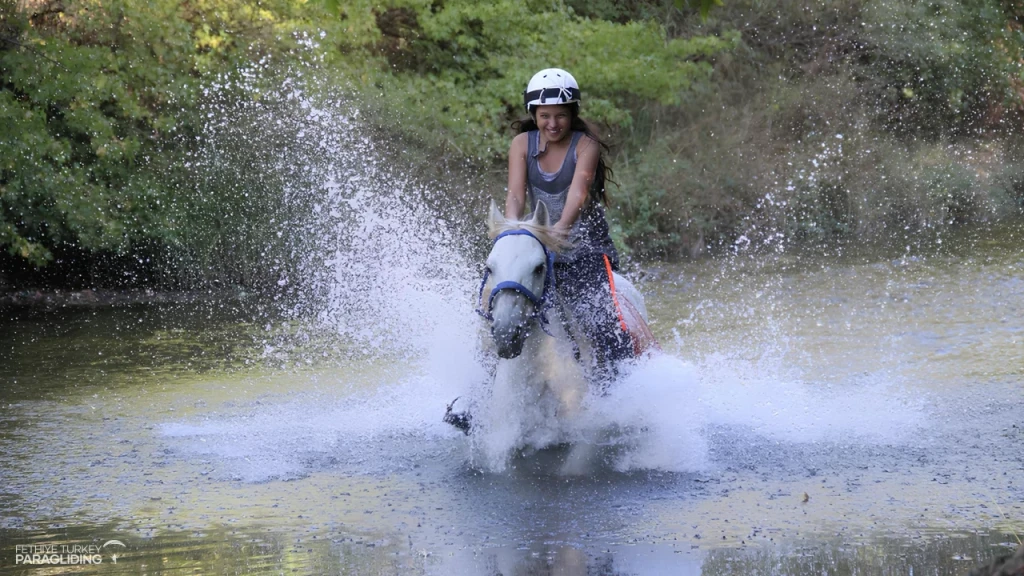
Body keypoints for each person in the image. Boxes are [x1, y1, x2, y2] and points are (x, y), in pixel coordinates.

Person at [505, 68, 633, 383]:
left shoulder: (586, 145)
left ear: (572, 114)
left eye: (560, 115)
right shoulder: (522, 144)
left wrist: (559, 231)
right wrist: (512, 231)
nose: (552, 123)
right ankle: (477, 397)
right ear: (533, 114)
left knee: (599, 321)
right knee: (501, 308)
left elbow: (578, 194)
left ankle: (621, 387)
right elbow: (515, 195)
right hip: (539, 243)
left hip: (586, 249)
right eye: (544, 115)